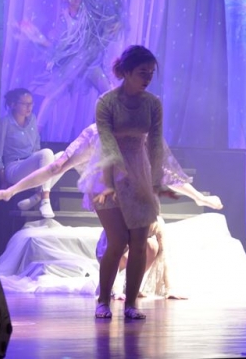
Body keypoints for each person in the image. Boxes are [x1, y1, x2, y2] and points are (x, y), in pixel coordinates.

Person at [79, 45, 172, 320]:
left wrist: (155, 181)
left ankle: (131, 304)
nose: (148, 78)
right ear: (127, 72)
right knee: (118, 240)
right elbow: (107, 143)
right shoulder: (106, 102)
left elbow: (155, 144)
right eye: (143, 72)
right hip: (107, 173)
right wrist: (112, 181)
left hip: (139, 171)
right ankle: (103, 301)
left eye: (151, 73)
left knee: (140, 242)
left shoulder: (153, 104)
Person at [0, 124, 223, 211]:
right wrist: (9, 191)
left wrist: (199, 197)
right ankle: (36, 195)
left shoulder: (139, 141)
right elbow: (54, 168)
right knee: (57, 162)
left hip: (119, 184)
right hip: (99, 177)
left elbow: (165, 174)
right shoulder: (92, 139)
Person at [22, 0, 124, 131]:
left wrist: (116, 22)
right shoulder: (64, 20)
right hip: (72, 64)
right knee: (53, 95)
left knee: (108, 93)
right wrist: (38, 38)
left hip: (90, 63)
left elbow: (115, 3)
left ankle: (116, 130)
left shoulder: (90, 6)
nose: (77, 0)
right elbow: (57, 47)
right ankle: (36, 132)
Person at [0, 88, 60, 218]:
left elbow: (36, 146)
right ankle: (45, 199)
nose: (29, 107)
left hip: (31, 163)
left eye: (31, 103)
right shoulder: (6, 122)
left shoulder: (32, 119)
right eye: (25, 104)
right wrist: (3, 180)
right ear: (13, 105)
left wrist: (42, 163)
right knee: (47, 153)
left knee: (62, 157)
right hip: (14, 167)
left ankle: (36, 197)